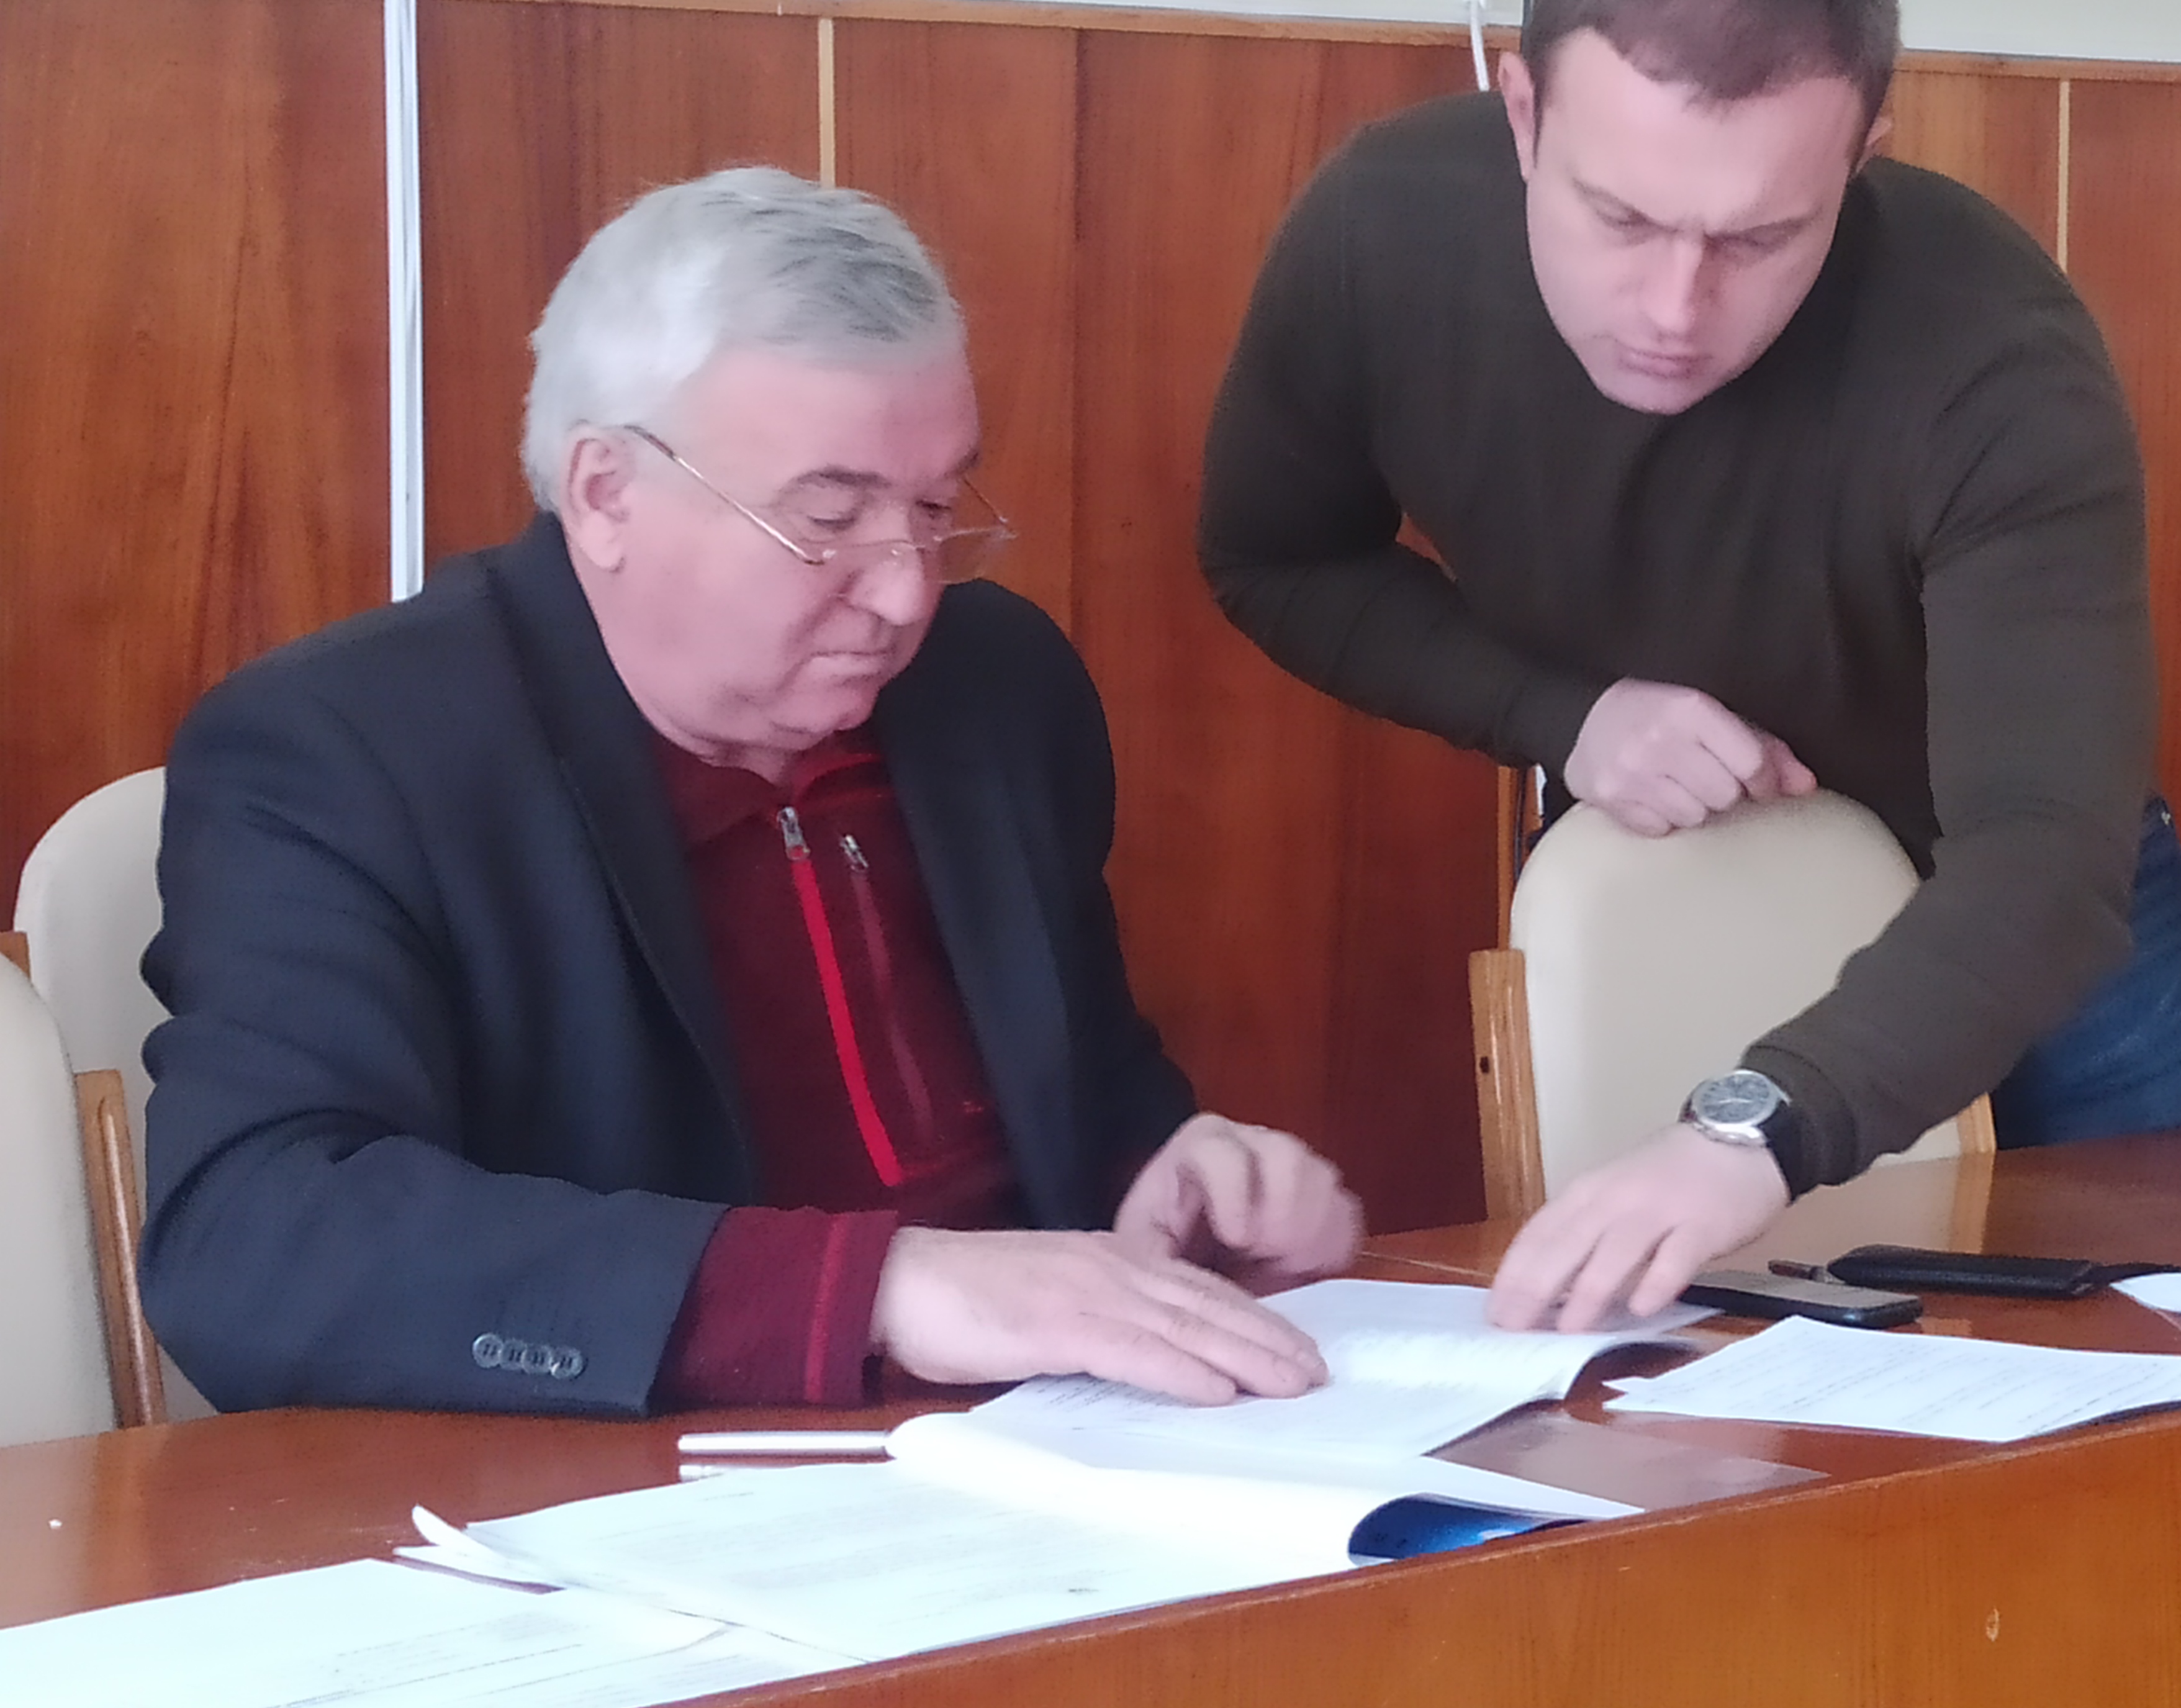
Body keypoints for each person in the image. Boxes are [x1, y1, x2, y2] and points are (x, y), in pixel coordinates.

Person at [1198, 0, 2181, 1333]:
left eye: (1759, 237)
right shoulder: (1379, 233)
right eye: (1619, 217)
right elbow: (1274, 555)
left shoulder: (1995, 353)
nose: (1672, 308)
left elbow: (2044, 848)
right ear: (1523, 112)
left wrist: (1749, 1131)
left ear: (1861, 156)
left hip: (2015, 890)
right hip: (1667, 866)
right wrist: (1559, 714)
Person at [141, 168, 1361, 1416]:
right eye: (828, 516)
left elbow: (1082, 1082)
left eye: (935, 507)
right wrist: (877, 1288)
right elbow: (252, 1239)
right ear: (607, 493)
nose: (906, 592)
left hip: (1052, 1445)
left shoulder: (998, 689)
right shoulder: (348, 754)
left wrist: (1163, 1176)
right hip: (645, 1477)